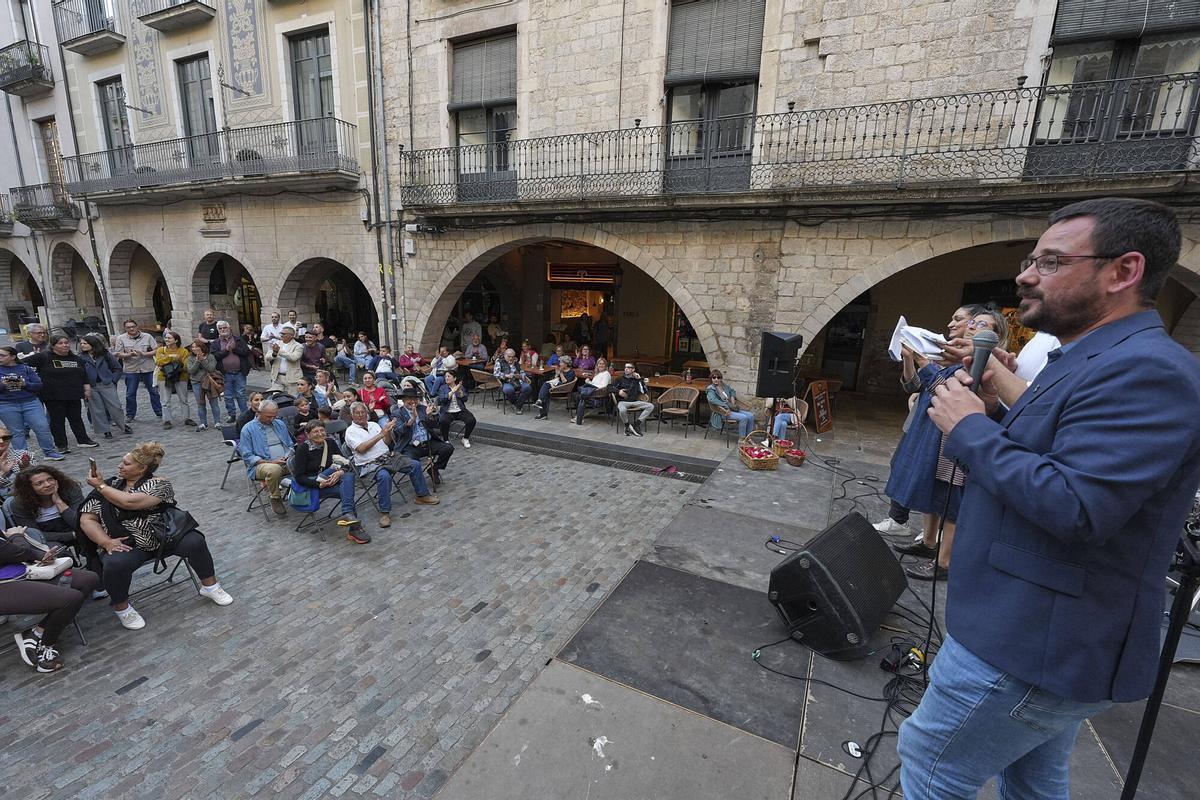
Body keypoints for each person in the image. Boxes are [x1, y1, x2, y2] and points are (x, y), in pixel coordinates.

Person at [897, 198, 1200, 798]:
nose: (1025, 275)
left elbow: (1078, 505)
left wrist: (968, 427)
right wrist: (1003, 387)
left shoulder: (1149, 371)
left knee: (932, 763)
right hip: (1031, 632)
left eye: (1051, 262)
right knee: (1033, 776)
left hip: (1035, 639)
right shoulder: (1093, 356)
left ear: (1123, 271)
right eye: (1031, 258)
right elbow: (1060, 440)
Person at [885, 308, 1010, 582]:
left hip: (956, 439)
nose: (974, 328)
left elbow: (952, 390)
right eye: (974, 323)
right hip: (936, 434)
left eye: (984, 326)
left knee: (951, 503)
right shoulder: (961, 356)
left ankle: (944, 562)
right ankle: (928, 544)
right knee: (933, 496)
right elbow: (918, 385)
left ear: (997, 336)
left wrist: (924, 364)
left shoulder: (989, 363)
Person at [78, 442, 233, 630]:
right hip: (129, 543)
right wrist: (106, 541)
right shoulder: (109, 486)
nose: (120, 466)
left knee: (195, 541)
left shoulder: (159, 483)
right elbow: (87, 518)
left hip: (164, 536)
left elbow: (129, 502)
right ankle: (122, 608)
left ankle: (210, 587)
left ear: (142, 468)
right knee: (114, 563)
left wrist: (100, 486)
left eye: (126, 464)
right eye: (122, 462)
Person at [873, 304, 986, 537]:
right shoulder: (941, 351)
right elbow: (912, 385)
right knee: (901, 465)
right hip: (919, 422)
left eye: (959, 319)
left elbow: (943, 390)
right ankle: (907, 524)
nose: (951, 324)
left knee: (937, 481)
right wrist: (908, 359)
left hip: (939, 429)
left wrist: (924, 364)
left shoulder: (969, 362)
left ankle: (930, 538)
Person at [4, 525, 100, 672]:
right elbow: (17, 552)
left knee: (88, 579)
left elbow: (10, 552)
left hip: (17, 572)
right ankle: (45, 647)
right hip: (6, 584)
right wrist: (16, 536)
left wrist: (41, 556)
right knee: (71, 598)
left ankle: (36, 633)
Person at [345, 402, 438, 529]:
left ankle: (422, 496)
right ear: (352, 415)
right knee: (384, 476)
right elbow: (361, 449)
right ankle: (384, 512)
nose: (361, 415)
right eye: (357, 413)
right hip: (369, 463)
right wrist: (381, 434)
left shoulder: (373, 424)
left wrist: (388, 431)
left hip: (388, 456)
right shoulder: (350, 431)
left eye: (363, 412)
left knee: (414, 464)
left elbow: (386, 442)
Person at [292, 420, 368, 543]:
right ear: (308, 434)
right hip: (315, 486)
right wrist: (319, 484)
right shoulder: (303, 449)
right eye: (315, 431)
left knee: (347, 476)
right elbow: (299, 477)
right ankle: (355, 529)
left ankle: (348, 515)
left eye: (322, 430)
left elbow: (343, 462)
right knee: (347, 491)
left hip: (333, 479)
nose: (320, 433)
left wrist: (340, 472)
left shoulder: (330, 442)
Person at [28, 335, 100, 453]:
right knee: (57, 420)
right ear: (53, 346)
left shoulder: (76, 359)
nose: (64, 345)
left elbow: (83, 375)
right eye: (60, 343)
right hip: (53, 395)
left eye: (66, 342)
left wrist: (86, 388)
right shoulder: (44, 357)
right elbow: (22, 364)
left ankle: (83, 440)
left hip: (73, 394)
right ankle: (61, 444)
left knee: (76, 418)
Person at [0, 346, 63, 460]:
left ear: (13, 356)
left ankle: (49, 452)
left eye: (2, 355)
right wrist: (3, 384)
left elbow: (38, 385)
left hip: (30, 402)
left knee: (42, 426)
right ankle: (23, 457)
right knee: (17, 432)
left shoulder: (25, 368)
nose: (0, 358)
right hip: (6, 404)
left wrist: (25, 384)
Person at [237, 400, 294, 516]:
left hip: (285, 461)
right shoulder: (248, 429)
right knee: (274, 469)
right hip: (260, 465)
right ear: (258, 413)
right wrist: (271, 462)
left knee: (303, 460)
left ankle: (303, 493)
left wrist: (287, 456)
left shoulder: (279, 424)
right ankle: (275, 497)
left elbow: (289, 445)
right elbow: (248, 456)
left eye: (274, 416)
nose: (272, 419)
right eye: (268, 417)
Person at [8, 465, 85, 546]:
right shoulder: (20, 504)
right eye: (39, 483)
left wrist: (59, 502)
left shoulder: (70, 489)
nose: (48, 484)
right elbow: (34, 535)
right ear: (29, 488)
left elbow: (81, 522)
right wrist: (72, 535)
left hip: (75, 527)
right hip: (48, 538)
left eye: (50, 479)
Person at [392, 386, 454, 476]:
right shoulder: (398, 413)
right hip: (410, 446)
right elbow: (398, 431)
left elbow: (436, 425)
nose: (413, 401)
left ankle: (434, 469)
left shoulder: (422, 408)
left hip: (428, 442)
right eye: (409, 399)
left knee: (448, 448)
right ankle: (420, 483)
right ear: (403, 400)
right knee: (413, 464)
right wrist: (411, 420)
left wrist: (430, 416)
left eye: (415, 399)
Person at [78, 333, 128, 439]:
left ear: (93, 344)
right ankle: (105, 430)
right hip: (91, 386)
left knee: (115, 407)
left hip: (106, 384)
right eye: (81, 343)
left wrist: (113, 380)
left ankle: (122, 425)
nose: (82, 345)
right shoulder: (80, 358)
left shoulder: (105, 354)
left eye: (85, 343)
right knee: (97, 409)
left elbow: (117, 368)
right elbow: (78, 373)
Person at [114, 319, 162, 423]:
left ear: (137, 326)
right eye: (128, 327)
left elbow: (157, 350)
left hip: (147, 367)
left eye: (133, 326)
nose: (131, 329)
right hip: (131, 369)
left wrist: (144, 354)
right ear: (125, 328)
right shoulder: (121, 338)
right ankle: (130, 414)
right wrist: (129, 355)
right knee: (130, 393)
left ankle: (159, 411)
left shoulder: (147, 336)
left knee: (153, 391)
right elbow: (118, 353)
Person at [212, 321, 252, 422]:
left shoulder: (238, 339)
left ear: (229, 328)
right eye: (220, 329)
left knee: (241, 394)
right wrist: (226, 351)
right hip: (225, 374)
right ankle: (232, 414)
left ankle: (244, 414)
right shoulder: (215, 343)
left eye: (224, 328)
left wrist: (234, 349)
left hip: (239, 372)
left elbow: (246, 352)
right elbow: (214, 356)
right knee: (228, 396)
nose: (223, 330)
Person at [154, 330, 193, 431]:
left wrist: (169, 359)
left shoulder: (183, 351)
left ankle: (186, 418)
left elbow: (186, 365)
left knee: (184, 399)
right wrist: (171, 357)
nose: (166, 339)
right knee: (165, 400)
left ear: (176, 340)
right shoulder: (160, 350)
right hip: (164, 376)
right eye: (166, 338)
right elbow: (158, 362)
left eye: (169, 338)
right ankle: (167, 420)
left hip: (181, 376)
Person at [187, 340, 224, 432]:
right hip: (196, 382)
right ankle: (203, 423)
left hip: (209, 382)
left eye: (196, 347)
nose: (194, 349)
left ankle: (217, 422)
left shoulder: (210, 356)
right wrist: (197, 361)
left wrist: (202, 360)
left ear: (201, 347)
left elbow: (211, 369)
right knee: (200, 403)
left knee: (213, 402)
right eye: (193, 347)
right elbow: (191, 371)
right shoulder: (190, 358)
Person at [706, 369, 754, 437]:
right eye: (714, 377)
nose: (716, 379)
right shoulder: (710, 389)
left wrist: (732, 398)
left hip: (731, 408)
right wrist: (725, 406)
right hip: (723, 411)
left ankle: (749, 438)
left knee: (750, 415)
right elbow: (712, 399)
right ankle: (742, 440)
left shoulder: (723, 385)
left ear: (720, 378)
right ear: (711, 379)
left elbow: (732, 391)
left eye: (718, 377)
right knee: (744, 418)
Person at [436, 371, 475, 447]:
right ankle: (446, 440)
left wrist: (460, 392)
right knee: (443, 421)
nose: (446, 378)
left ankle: (465, 438)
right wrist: (453, 390)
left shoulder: (460, 387)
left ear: (454, 378)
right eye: (445, 377)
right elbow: (442, 400)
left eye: (448, 376)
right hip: (448, 411)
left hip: (460, 410)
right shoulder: (442, 388)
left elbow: (465, 399)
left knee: (471, 420)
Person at [613, 363, 653, 437]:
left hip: (635, 401)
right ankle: (627, 425)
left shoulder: (637, 380)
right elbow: (609, 387)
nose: (626, 369)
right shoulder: (620, 379)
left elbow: (644, 392)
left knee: (650, 406)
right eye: (625, 367)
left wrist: (640, 379)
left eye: (629, 367)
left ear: (633, 369)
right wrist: (618, 391)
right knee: (622, 410)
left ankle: (635, 425)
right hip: (623, 402)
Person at [570, 357, 612, 426]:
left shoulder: (606, 374)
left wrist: (589, 383)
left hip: (599, 397)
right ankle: (580, 415)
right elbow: (594, 385)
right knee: (576, 395)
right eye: (599, 364)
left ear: (605, 366)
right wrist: (589, 382)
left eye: (603, 364)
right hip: (594, 394)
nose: (601, 365)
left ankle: (579, 417)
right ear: (597, 365)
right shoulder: (598, 374)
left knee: (580, 396)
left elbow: (603, 386)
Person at [264, 324, 303, 397]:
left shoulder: (298, 346)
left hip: (292, 378)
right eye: (281, 333)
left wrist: (279, 351)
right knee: (276, 398)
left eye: (283, 334)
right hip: (277, 377)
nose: (281, 335)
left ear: (291, 335)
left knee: (292, 399)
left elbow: (293, 357)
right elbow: (267, 357)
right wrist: (274, 354)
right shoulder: (277, 343)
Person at [534, 356, 574, 420]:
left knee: (546, 385)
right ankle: (541, 405)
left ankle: (541, 408)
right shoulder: (562, 370)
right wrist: (557, 374)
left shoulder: (571, 372)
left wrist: (560, 373)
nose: (559, 364)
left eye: (561, 362)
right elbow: (557, 379)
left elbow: (565, 382)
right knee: (546, 390)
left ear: (566, 364)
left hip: (563, 390)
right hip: (557, 388)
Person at [494, 348, 532, 413]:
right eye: (509, 357)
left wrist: (520, 376)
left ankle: (517, 405)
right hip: (506, 382)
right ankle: (516, 405)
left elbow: (522, 372)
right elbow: (496, 374)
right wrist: (506, 375)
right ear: (505, 355)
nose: (511, 358)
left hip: (518, 381)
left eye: (512, 357)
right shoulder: (499, 362)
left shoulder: (517, 363)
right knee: (508, 390)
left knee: (528, 388)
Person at [0, 423, 32, 499]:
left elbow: (38, 480)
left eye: (5, 438)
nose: (1, 441)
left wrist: (25, 469)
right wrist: (3, 473)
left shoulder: (23, 454)